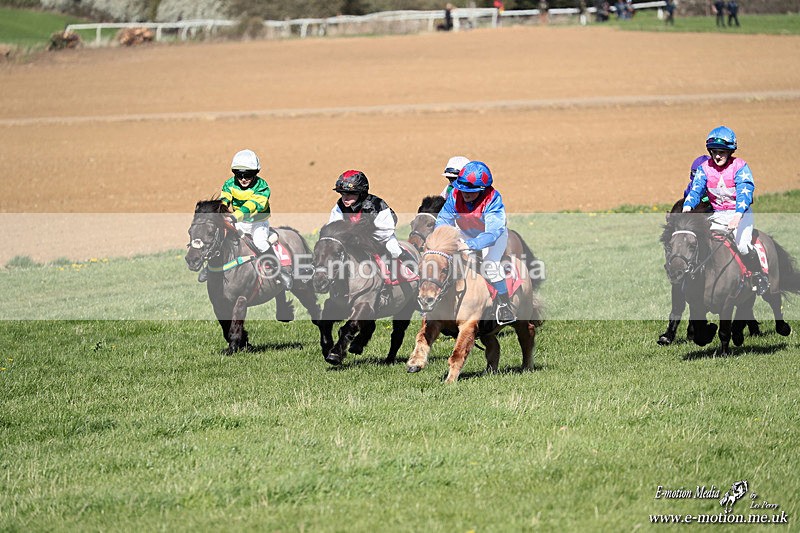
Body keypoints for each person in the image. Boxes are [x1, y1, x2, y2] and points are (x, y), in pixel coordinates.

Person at [682, 126, 768, 295]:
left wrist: (737, 215)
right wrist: (687, 207)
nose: (718, 156)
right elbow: (696, 189)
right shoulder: (705, 168)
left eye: (722, 152)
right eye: (714, 152)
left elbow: (745, 191)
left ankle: (758, 276)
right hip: (718, 215)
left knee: (742, 246)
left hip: (740, 214)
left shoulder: (740, 167)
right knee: (706, 244)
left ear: (730, 152)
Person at [197, 149, 293, 288]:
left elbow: (252, 205)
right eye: (239, 174)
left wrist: (235, 217)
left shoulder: (262, 187)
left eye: (248, 175)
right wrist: (218, 211)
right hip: (239, 222)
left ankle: (280, 271)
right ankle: (210, 267)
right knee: (220, 237)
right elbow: (225, 199)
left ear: (256, 173)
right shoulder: (229, 184)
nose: (243, 179)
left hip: (258, 223)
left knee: (260, 242)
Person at [435, 160, 515, 325]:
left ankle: (505, 305)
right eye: (463, 189)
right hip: (465, 232)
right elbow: (443, 219)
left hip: (493, 236)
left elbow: (492, 233)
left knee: (490, 265)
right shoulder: (455, 195)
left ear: (482, 189)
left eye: (470, 191)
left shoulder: (493, 200)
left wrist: (470, 245)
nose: (465, 193)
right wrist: (444, 238)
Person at [329, 169, 417, 268]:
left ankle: (416, 269)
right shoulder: (339, 206)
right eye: (342, 194)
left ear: (361, 193)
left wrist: (363, 240)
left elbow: (385, 232)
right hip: (353, 239)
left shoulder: (377, 205)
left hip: (379, 237)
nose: (344, 198)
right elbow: (334, 226)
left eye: (349, 194)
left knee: (393, 249)